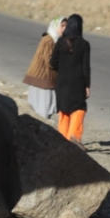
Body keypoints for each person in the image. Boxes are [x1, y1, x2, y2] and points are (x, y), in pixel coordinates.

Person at [50, 13, 90, 146]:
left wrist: (61, 69)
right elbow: (86, 67)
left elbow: (52, 63)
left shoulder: (60, 42)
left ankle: (62, 142)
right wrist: (87, 86)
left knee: (64, 112)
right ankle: (73, 139)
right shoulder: (84, 44)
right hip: (78, 84)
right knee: (78, 109)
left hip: (62, 83)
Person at [23, 17, 66, 120]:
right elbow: (50, 61)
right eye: (62, 26)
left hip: (45, 79)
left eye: (66, 26)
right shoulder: (48, 40)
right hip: (42, 80)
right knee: (43, 110)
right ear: (55, 26)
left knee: (45, 108)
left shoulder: (54, 40)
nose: (65, 29)